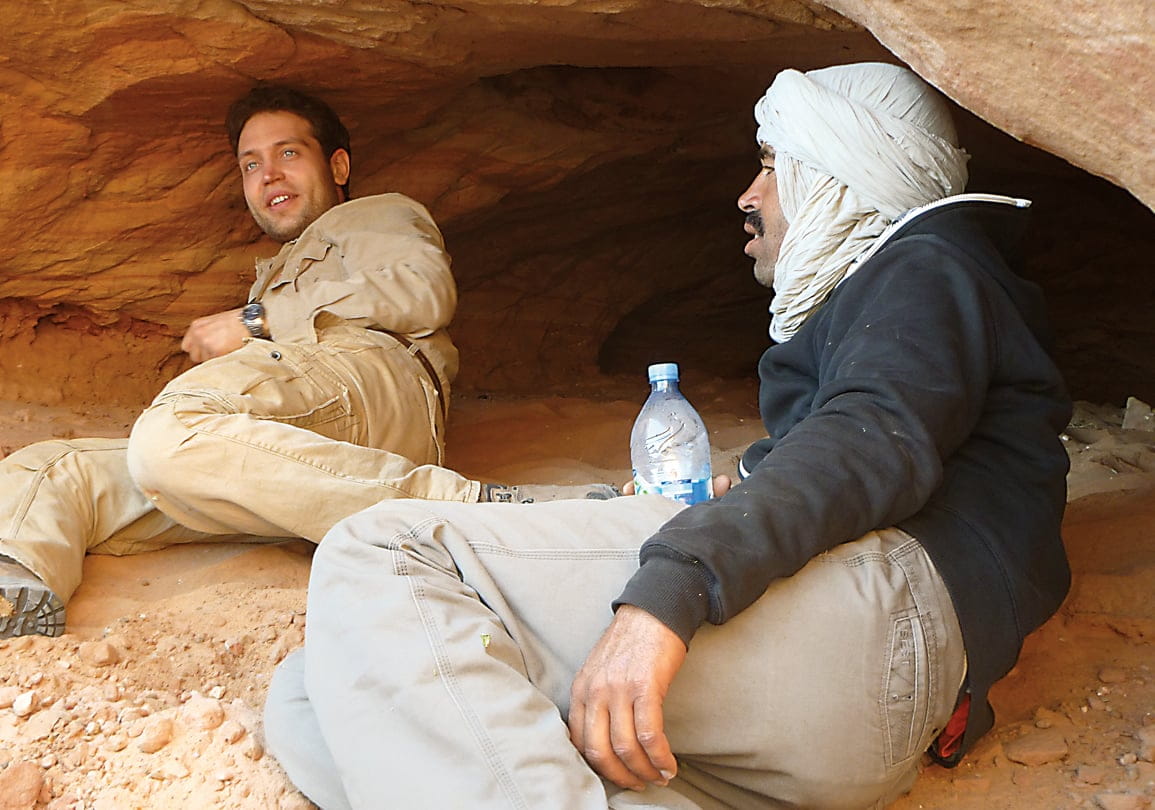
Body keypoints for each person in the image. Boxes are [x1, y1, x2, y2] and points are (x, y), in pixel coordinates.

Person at [263, 62, 1072, 809]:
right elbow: (876, 430)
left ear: (838, 170)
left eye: (769, 164)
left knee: (376, 555)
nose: (747, 195)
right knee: (325, 692)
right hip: (847, 710)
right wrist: (746, 489)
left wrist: (669, 590)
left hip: (880, 623)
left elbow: (873, 438)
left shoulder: (925, 262)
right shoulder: (907, 292)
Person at [0, 84, 598, 639]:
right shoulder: (274, 271)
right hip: (295, 453)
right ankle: (15, 592)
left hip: (372, 379)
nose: (269, 175)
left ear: (337, 166)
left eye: (288, 152)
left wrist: (255, 323)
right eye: (251, 164)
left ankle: (466, 509)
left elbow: (423, 294)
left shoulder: (376, 214)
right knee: (51, 467)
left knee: (171, 433)